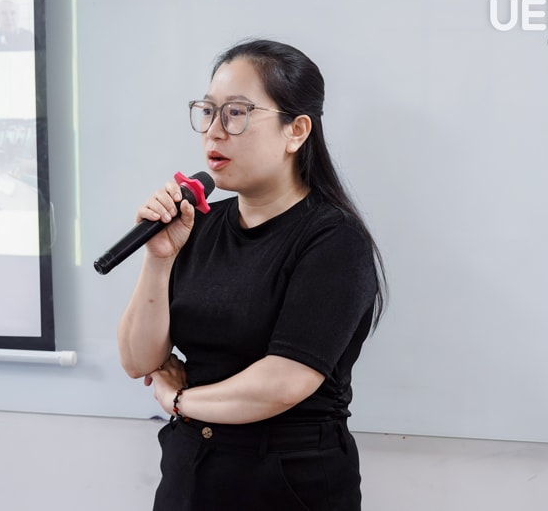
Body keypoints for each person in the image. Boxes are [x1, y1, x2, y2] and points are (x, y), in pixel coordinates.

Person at [117, 39, 386, 511]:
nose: (213, 132)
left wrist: (178, 400)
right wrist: (159, 258)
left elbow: (283, 383)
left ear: (296, 131)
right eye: (207, 112)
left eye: (236, 114)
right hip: (190, 472)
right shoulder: (196, 226)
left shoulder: (334, 240)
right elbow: (140, 360)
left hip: (286, 480)